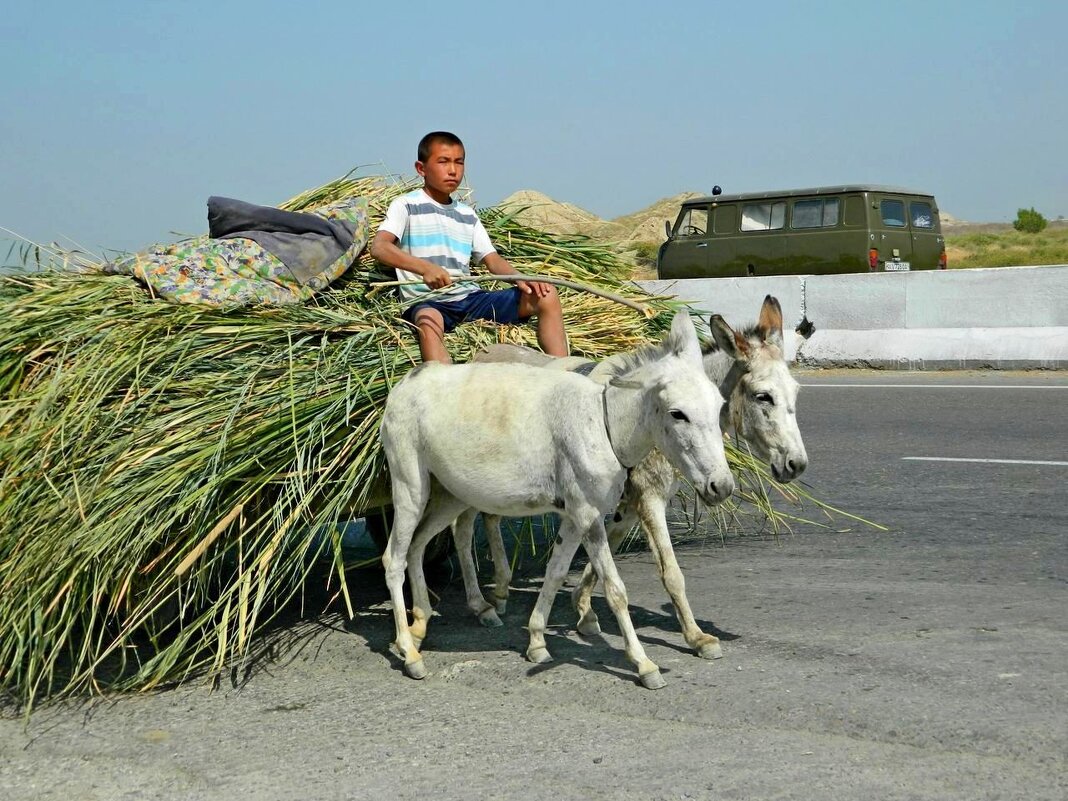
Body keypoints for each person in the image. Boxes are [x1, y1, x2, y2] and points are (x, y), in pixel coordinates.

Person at [370, 131, 567, 363]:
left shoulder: (467, 214)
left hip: (470, 298)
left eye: (459, 162)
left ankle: (563, 371)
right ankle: (444, 387)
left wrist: (520, 278)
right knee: (428, 322)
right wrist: (425, 268)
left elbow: (492, 259)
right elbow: (380, 247)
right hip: (429, 301)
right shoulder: (406, 205)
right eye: (443, 162)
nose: (453, 170)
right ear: (421, 169)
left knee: (546, 294)